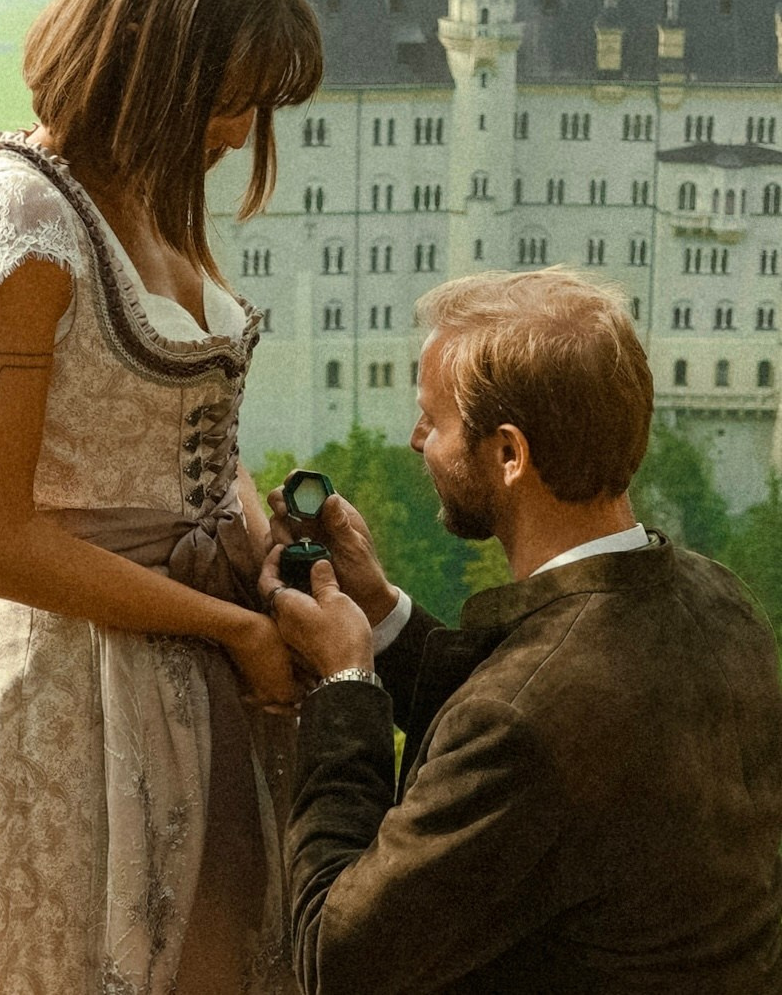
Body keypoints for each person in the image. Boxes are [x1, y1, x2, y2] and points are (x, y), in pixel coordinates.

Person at [261, 268, 782, 995]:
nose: (417, 442)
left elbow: (336, 959)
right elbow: (542, 704)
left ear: (509, 453)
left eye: (434, 421)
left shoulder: (522, 723)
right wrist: (379, 613)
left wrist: (346, 688)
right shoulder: (720, 602)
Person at [0, 0, 322, 993]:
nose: (238, 131)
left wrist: (271, 552)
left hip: (201, 682)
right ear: (153, 68)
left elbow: (188, 447)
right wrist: (230, 625)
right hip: (77, 697)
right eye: (229, 99)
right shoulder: (19, 222)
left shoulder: (152, 196)